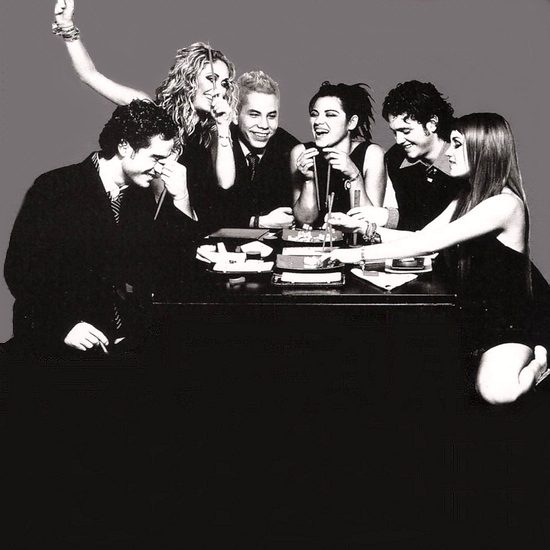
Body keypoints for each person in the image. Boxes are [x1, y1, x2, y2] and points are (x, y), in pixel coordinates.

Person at [327, 113, 549, 405]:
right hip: (472, 315)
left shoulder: (505, 204)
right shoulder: (467, 196)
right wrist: (363, 228)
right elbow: (422, 235)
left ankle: (540, 364)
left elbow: (427, 244)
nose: (449, 152)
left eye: (457, 144)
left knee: (497, 392)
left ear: (482, 150)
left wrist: (354, 255)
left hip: (508, 321)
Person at [4, 100, 199, 358]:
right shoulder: (55, 187)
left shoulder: (139, 195)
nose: (161, 169)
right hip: (56, 341)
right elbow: (20, 271)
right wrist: (63, 326)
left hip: (117, 341)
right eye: (156, 158)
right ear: (124, 146)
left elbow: (170, 269)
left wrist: (182, 198)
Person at [52, 0, 238, 226]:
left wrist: (223, 125)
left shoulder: (212, 130)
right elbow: (90, 75)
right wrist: (67, 27)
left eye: (225, 83)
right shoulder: (150, 111)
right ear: (189, 79)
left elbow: (226, 183)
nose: (219, 89)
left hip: (184, 225)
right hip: (141, 223)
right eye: (211, 79)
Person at [346, 80, 463, 232]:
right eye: (395, 132)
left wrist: (388, 217)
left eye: (406, 131)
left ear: (432, 123)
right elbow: (414, 217)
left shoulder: (464, 158)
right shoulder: (396, 157)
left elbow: (447, 224)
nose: (399, 140)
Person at [203, 70, 300, 229]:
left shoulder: (289, 147)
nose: (264, 125)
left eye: (271, 116)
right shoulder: (217, 143)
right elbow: (206, 214)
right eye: (254, 115)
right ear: (235, 115)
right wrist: (258, 222)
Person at [291, 81, 386, 228]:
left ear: (351, 122)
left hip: (356, 241)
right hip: (314, 241)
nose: (318, 121)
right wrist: (308, 180)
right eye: (314, 114)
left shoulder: (372, 154)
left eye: (330, 115)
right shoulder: (301, 152)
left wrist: (354, 176)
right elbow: (305, 220)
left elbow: (370, 223)